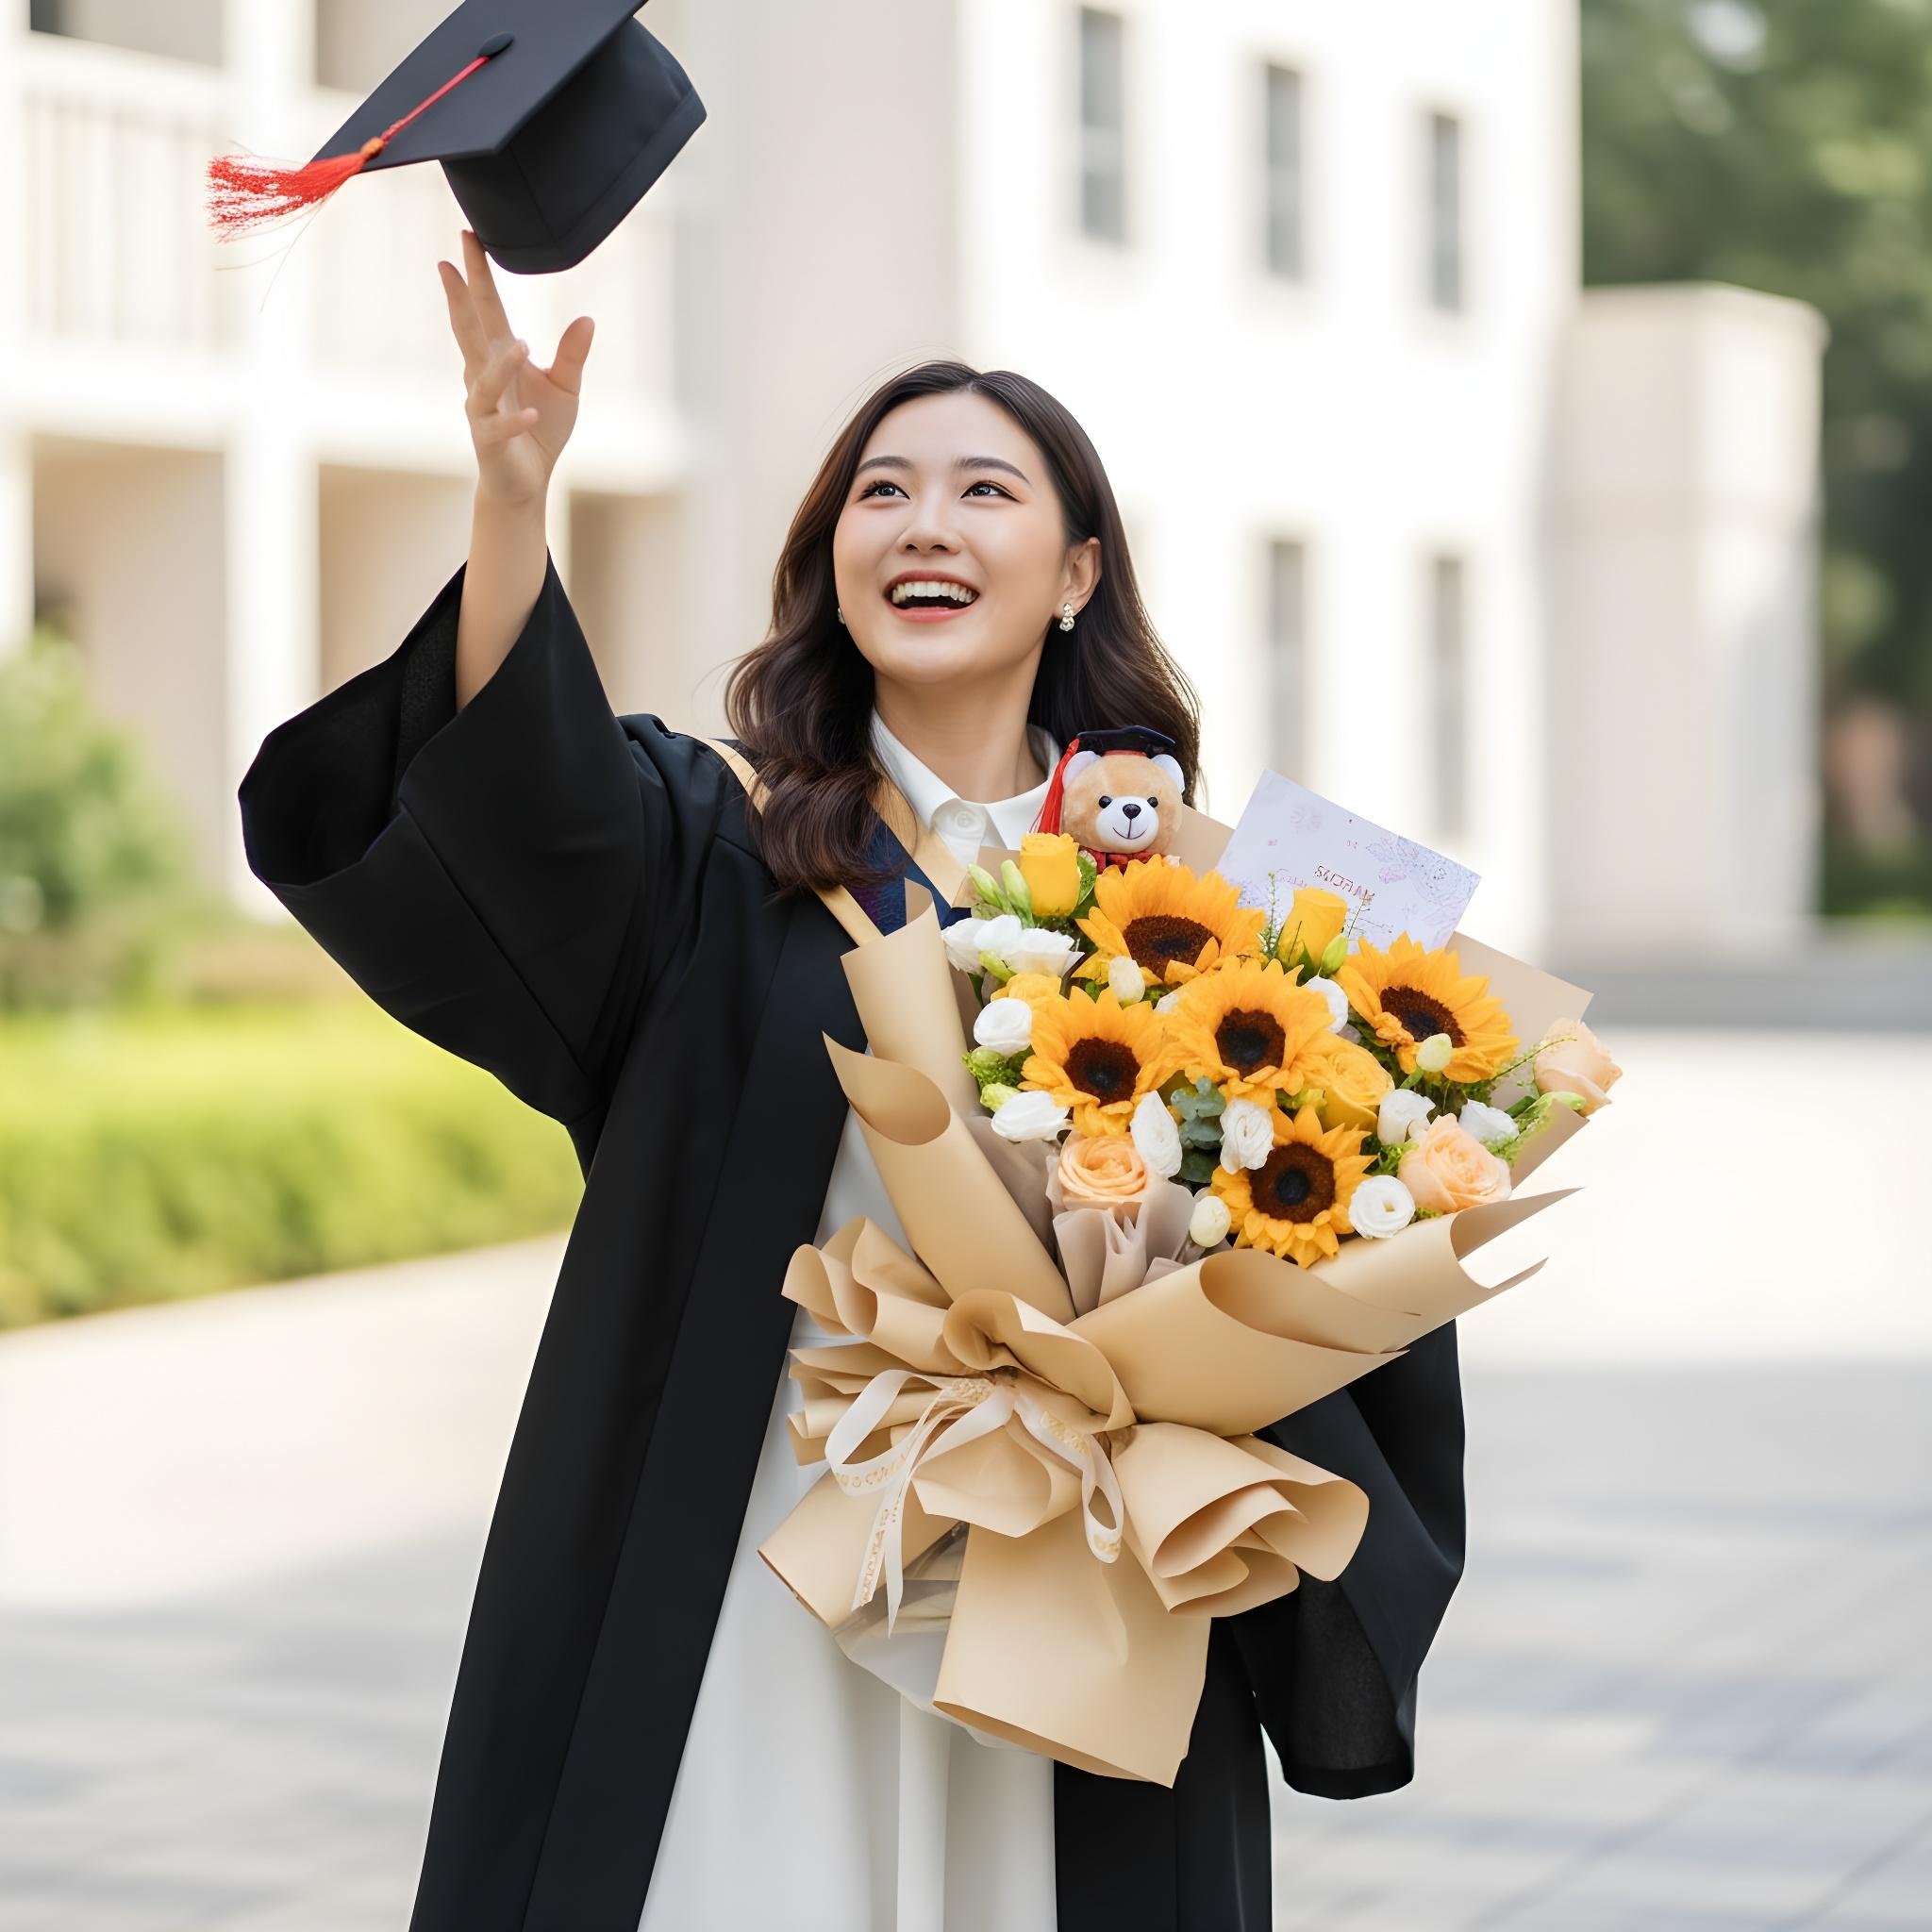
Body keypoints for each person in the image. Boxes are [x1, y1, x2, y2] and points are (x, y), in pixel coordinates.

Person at [237, 230, 1468, 1932]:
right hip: (765, 1529)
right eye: (880, 494)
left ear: (1077, 570)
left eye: (982, 490)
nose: (925, 525)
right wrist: (512, 494)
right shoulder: (719, 845)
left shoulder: (1210, 902)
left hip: (1083, 1560)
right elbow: (521, 795)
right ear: (833, 562)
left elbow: (1353, 1213)